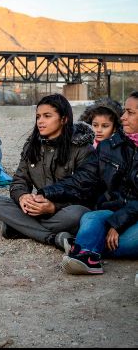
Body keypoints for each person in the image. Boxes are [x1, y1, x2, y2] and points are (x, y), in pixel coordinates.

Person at [0, 94, 99, 250]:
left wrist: (53, 206)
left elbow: (85, 190)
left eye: (47, 116)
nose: (40, 121)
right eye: (38, 116)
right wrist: (23, 198)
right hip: (36, 209)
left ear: (64, 119)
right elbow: (19, 180)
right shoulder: (32, 146)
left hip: (64, 210)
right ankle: (52, 238)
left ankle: (21, 228)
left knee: (79, 214)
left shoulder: (82, 149)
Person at [63, 91, 138, 275]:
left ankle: (84, 246)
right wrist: (44, 194)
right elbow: (81, 178)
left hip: (133, 216)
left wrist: (117, 224)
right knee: (91, 217)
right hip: (117, 210)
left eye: (130, 112)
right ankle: (86, 257)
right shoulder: (110, 145)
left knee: (132, 238)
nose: (123, 117)